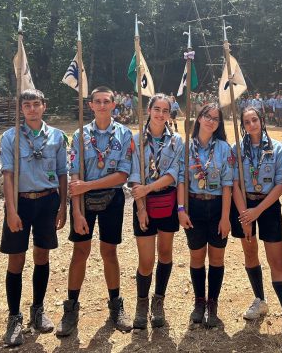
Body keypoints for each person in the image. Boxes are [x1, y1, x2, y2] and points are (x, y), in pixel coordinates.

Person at [230, 106, 282, 344]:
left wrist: (258, 211)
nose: (251, 125)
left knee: (277, 261)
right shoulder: (237, 149)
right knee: (250, 253)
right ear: (242, 126)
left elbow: (281, 183)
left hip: (267, 206)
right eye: (246, 122)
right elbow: (234, 183)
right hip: (244, 206)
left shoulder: (276, 148)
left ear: (262, 120)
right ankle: (260, 300)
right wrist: (245, 216)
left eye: (254, 120)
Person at [58, 86, 133, 337]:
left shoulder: (124, 134)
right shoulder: (80, 134)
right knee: (80, 252)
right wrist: (77, 212)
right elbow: (75, 174)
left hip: (112, 198)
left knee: (109, 252)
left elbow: (122, 175)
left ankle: (115, 305)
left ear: (114, 104)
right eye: (97, 101)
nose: (102, 105)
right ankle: (71, 308)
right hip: (83, 202)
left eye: (106, 101)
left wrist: (88, 185)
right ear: (90, 105)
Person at [0, 89, 68, 346]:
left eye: (36, 104)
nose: (32, 109)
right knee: (16, 259)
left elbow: (62, 173)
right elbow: (7, 175)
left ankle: (38, 309)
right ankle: (14, 317)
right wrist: (11, 210)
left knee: (42, 255)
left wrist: (63, 206)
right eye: (26, 105)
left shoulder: (57, 136)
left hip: (47, 201)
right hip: (21, 202)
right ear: (21, 109)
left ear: (44, 106)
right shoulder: (10, 137)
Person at [128, 94, 184, 329]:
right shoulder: (136, 139)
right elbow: (134, 175)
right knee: (146, 260)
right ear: (149, 110)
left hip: (167, 202)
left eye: (165, 110)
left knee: (165, 253)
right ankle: (142, 302)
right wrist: (141, 207)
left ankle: (158, 300)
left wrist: (148, 188)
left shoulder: (177, 141)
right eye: (157, 109)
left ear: (170, 114)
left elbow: (173, 174)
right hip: (144, 203)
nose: (161, 114)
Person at [176, 103, 233, 328]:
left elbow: (227, 185)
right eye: (207, 116)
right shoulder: (186, 147)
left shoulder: (224, 148)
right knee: (197, 257)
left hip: (218, 207)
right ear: (199, 118)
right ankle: (199, 301)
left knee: (217, 258)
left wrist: (226, 217)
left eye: (215, 119)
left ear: (219, 124)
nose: (210, 121)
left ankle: (212, 303)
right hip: (194, 207)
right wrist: (181, 210)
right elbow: (181, 180)